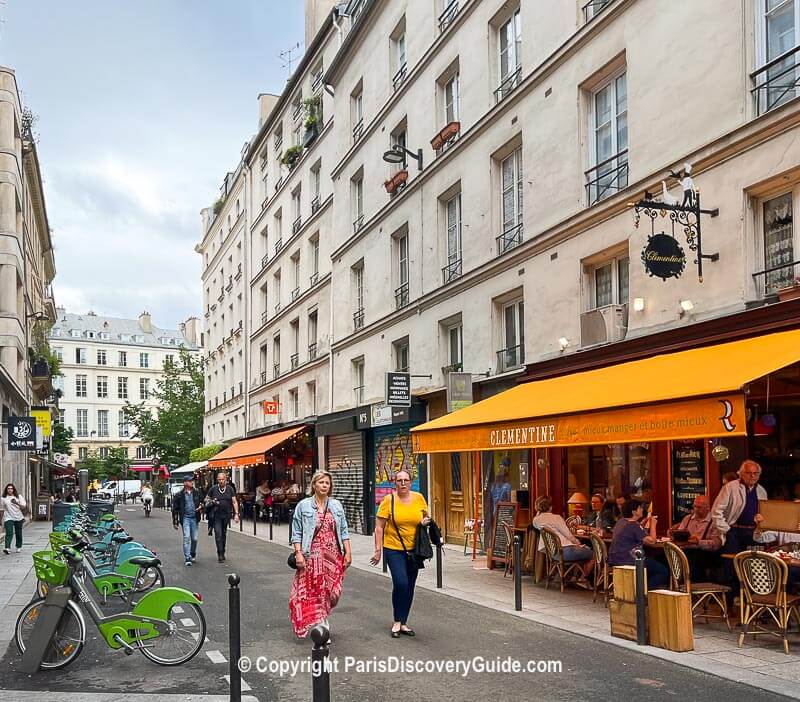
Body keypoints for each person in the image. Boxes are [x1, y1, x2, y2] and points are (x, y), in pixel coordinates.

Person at [289, 471, 351, 640]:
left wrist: (348, 552)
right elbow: (297, 532)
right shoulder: (304, 506)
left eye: (327, 483)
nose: (325, 485)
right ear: (314, 485)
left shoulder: (336, 505)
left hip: (333, 554)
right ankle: (321, 625)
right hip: (313, 555)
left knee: (333, 592)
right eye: (322, 482)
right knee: (316, 590)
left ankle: (321, 618)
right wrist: (299, 554)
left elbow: (344, 530)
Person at [371, 469, 429, 638]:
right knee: (401, 583)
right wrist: (378, 550)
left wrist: (425, 522)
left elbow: (425, 518)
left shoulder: (419, 498)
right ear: (394, 483)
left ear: (411, 482)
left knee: (410, 585)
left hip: (414, 550)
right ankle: (397, 620)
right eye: (399, 480)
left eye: (406, 480)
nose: (403, 483)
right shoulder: (389, 500)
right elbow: (379, 527)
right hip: (393, 549)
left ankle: (404, 622)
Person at [608, 499, 669, 589]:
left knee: (651, 564)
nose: (642, 510)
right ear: (634, 512)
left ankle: (640, 589)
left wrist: (641, 524)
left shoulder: (621, 522)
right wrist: (653, 525)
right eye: (640, 508)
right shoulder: (633, 525)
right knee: (663, 571)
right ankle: (642, 592)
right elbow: (652, 541)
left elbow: (633, 532)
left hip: (615, 560)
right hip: (630, 560)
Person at [531, 495, 594, 581]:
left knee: (581, 550)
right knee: (593, 554)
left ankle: (574, 577)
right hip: (564, 551)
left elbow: (537, 518)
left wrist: (539, 511)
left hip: (551, 552)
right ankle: (582, 579)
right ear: (550, 507)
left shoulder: (536, 520)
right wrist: (578, 542)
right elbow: (568, 535)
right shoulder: (556, 518)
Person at [711, 460, 767, 553]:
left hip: (754, 533)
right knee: (733, 563)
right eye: (749, 473)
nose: (753, 476)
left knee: (752, 563)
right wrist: (727, 530)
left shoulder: (762, 491)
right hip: (734, 532)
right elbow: (716, 511)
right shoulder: (730, 487)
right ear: (741, 474)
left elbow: (764, 513)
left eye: (756, 473)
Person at [206, 472, 239, 562]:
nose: (221, 481)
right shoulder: (213, 489)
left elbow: (234, 501)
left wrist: (236, 514)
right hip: (216, 515)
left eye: (222, 479)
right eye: (219, 479)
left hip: (226, 515)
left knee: (223, 533)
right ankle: (220, 553)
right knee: (218, 534)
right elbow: (207, 499)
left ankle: (223, 550)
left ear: (226, 480)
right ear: (217, 480)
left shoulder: (230, 489)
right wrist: (212, 501)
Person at [172, 476, 204, 566]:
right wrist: (175, 522)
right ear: (185, 483)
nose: (192, 482)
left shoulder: (197, 492)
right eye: (190, 481)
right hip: (185, 518)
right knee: (186, 537)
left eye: (192, 481)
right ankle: (187, 558)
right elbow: (175, 509)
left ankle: (192, 553)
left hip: (195, 517)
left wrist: (201, 506)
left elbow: (203, 501)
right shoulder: (179, 495)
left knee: (194, 538)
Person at [1, 483, 26, 555]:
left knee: (18, 532)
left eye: (11, 489)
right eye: (8, 489)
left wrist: (16, 503)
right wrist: (0, 519)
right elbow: (2, 509)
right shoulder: (3, 498)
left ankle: (18, 546)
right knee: (9, 532)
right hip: (8, 517)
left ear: (13, 489)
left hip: (19, 517)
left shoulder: (19, 497)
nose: (10, 490)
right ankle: (7, 548)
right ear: (6, 490)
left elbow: (23, 507)